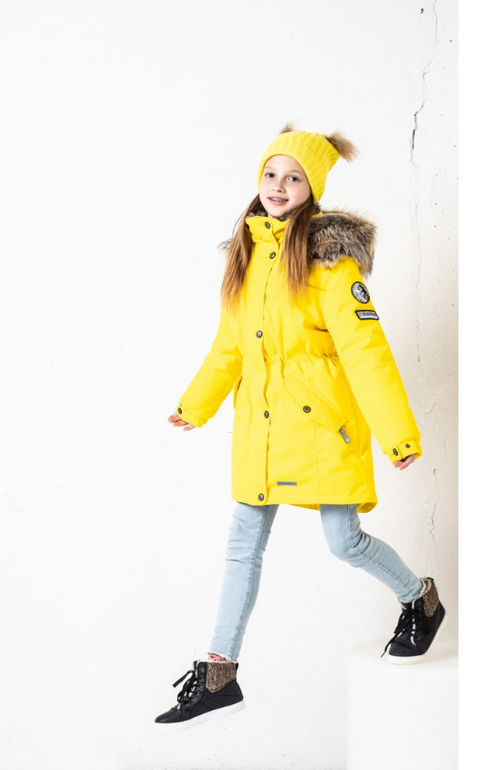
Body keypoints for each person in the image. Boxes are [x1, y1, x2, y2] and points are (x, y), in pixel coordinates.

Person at [154, 124, 446, 732]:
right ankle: (219, 671)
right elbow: (229, 347)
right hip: (261, 429)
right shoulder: (244, 255)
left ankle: (419, 597)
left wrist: (397, 434)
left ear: (312, 188)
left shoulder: (331, 263)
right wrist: (195, 403)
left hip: (323, 429)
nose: (279, 186)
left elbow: (366, 352)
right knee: (242, 547)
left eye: (293, 177)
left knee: (344, 542)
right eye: (271, 174)